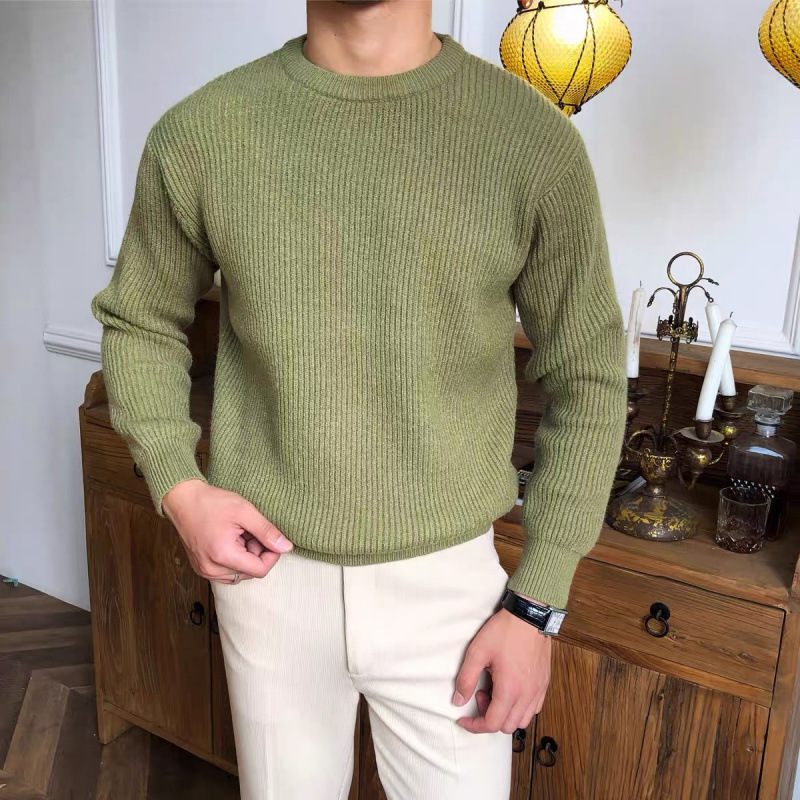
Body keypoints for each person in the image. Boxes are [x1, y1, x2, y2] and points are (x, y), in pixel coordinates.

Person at [90, 1, 628, 798]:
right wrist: (179, 486)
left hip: (453, 596)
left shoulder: (531, 141)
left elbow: (590, 378)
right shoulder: (201, 133)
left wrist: (536, 606)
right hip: (267, 579)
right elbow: (140, 321)